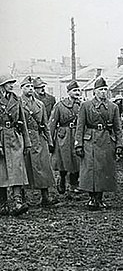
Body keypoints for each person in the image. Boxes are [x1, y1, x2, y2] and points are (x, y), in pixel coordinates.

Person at [74, 77, 123, 209]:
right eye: (100, 90)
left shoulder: (113, 107)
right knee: (91, 170)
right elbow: (80, 126)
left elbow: (118, 128)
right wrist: (78, 144)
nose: (103, 92)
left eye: (105, 89)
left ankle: (100, 198)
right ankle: (92, 198)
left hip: (107, 140)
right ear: (94, 91)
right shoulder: (86, 106)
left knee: (104, 169)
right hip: (90, 140)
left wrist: (119, 145)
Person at [20, 76, 58, 207]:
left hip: (39, 137)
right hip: (24, 138)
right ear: (22, 89)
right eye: (27, 87)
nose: (30, 89)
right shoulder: (18, 103)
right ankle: (22, 198)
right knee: (24, 167)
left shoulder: (40, 104)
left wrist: (50, 140)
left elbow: (45, 123)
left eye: (31, 87)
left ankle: (45, 197)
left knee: (43, 167)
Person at [0, 74, 31, 215]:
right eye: (9, 83)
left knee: (17, 168)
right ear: (2, 85)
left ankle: (18, 202)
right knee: (2, 171)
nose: (12, 85)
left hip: (14, 137)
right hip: (1, 137)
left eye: (13, 82)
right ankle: (3, 203)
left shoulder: (15, 99)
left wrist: (27, 142)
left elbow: (22, 121)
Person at [49, 80, 82, 195]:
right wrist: (50, 141)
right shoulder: (60, 105)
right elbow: (52, 124)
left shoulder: (82, 105)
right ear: (68, 92)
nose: (77, 92)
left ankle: (73, 185)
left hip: (77, 135)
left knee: (77, 160)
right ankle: (62, 179)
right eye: (74, 90)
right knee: (63, 159)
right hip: (63, 136)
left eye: (78, 90)